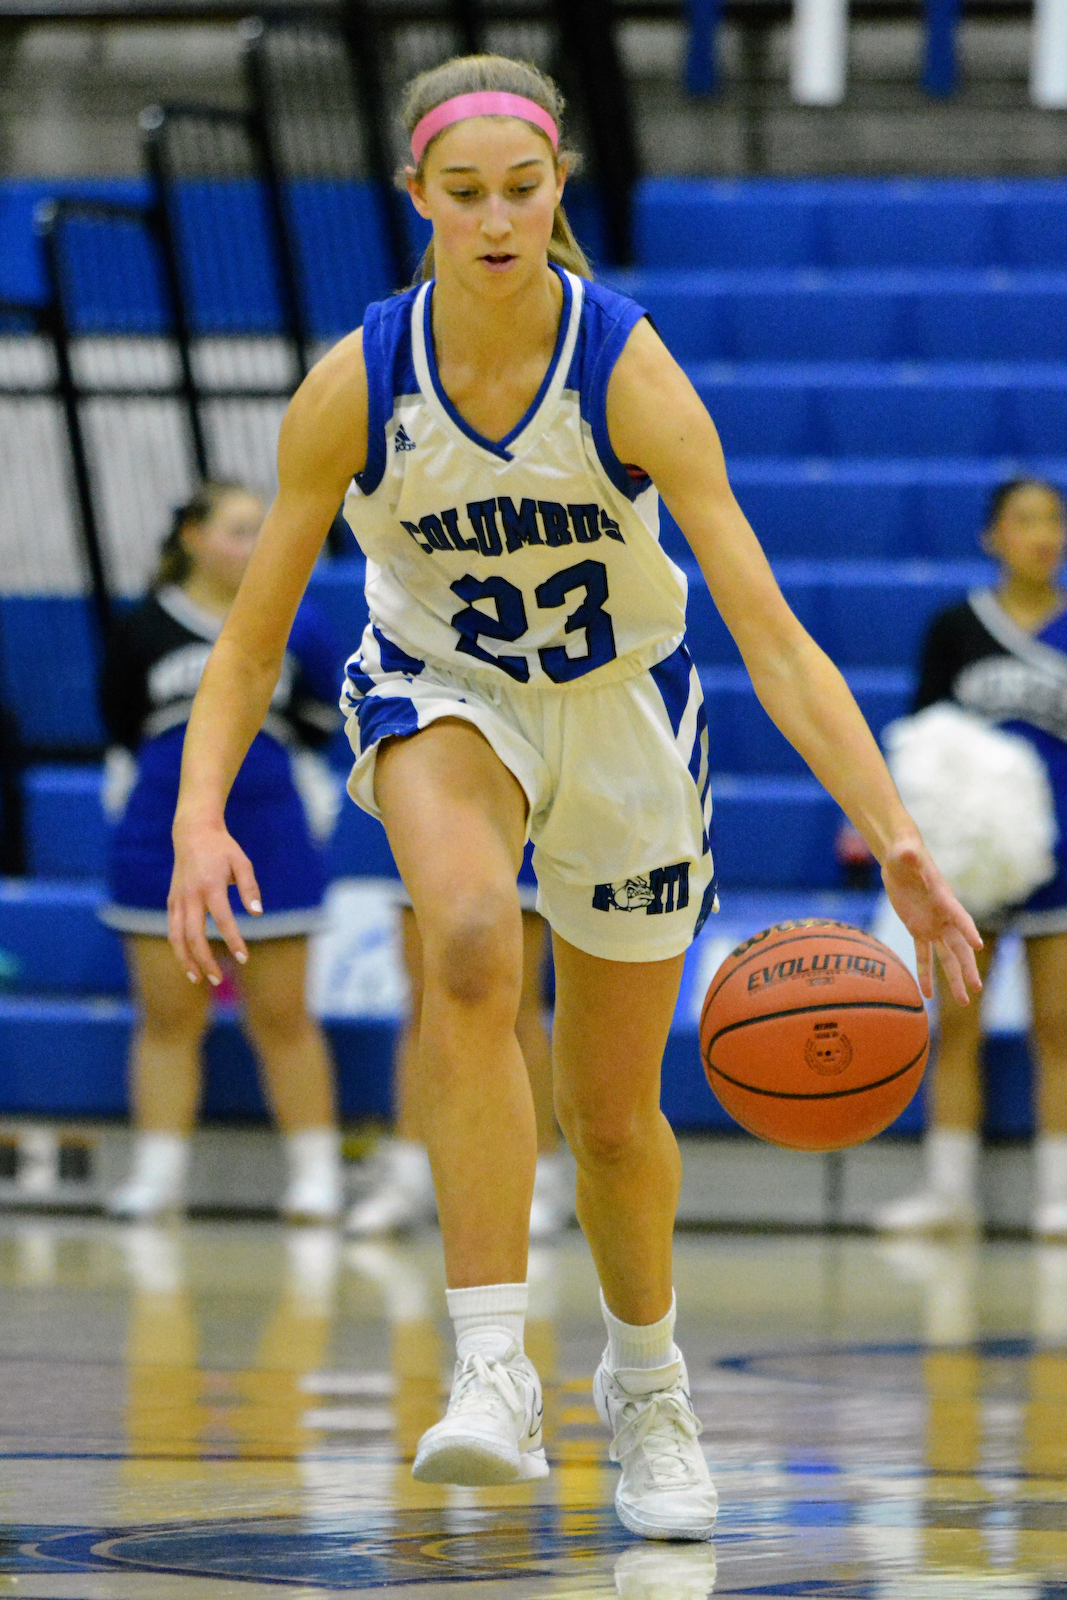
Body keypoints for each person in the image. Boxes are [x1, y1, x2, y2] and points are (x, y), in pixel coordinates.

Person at [166, 56, 981, 1541]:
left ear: (558, 190)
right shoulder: (355, 385)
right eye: (462, 193)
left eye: (521, 189)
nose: (495, 220)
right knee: (472, 940)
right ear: (414, 197)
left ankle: (647, 1387)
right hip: (442, 690)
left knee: (608, 1118)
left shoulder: (626, 372)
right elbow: (249, 639)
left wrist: (898, 839)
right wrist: (198, 814)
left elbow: (772, 643)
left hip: (619, 711)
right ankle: (491, 1366)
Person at [100, 482, 345, 1222]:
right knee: (168, 1017)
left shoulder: (299, 622)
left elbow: (322, 719)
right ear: (193, 538)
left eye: (260, 530)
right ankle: (158, 1177)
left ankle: (317, 1175)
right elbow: (120, 723)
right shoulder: (144, 628)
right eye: (238, 530)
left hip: (270, 835)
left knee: (284, 1015)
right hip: (161, 837)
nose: (254, 544)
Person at [875, 478, 1067, 1238]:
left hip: (1059, 855)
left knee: (1059, 1026)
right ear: (993, 536)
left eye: (1053, 520)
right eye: (1025, 520)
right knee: (956, 1026)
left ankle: (1058, 1195)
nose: (1043, 534)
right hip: (973, 863)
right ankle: (949, 1194)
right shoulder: (956, 626)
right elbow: (920, 742)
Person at [345, 854, 572, 1239]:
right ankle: (410, 1175)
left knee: (515, 1002)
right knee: (424, 1000)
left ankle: (539, 1178)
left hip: (516, 821)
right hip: (430, 817)